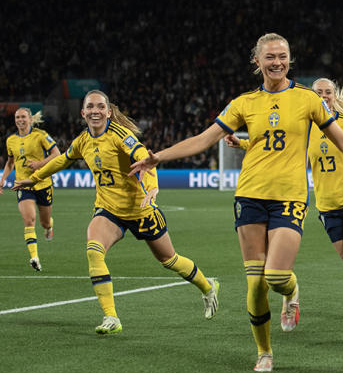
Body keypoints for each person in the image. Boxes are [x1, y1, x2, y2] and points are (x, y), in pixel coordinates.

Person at [130, 32, 343, 371]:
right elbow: (204, 139)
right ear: (258, 62)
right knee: (255, 283)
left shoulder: (309, 99)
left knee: (277, 276)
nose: (277, 62)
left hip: (289, 199)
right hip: (250, 197)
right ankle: (264, 352)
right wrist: (158, 157)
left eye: (282, 55)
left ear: (290, 58)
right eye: (270, 57)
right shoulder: (244, 103)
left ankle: (291, 292)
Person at [13, 91, 219, 334]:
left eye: (101, 106)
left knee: (169, 260)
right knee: (93, 250)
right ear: (83, 113)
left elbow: (145, 158)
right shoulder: (82, 141)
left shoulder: (122, 136)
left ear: (109, 112)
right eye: (90, 106)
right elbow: (62, 160)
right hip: (108, 210)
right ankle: (111, 317)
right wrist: (34, 178)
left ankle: (208, 287)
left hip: (140, 209)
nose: (95, 111)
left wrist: (152, 187)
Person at [224, 78, 343, 327]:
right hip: (326, 205)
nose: (324, 96)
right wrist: (241, 144)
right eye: (319, 92)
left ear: (335, 95)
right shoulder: (305, 127)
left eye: (328, 92)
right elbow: (275, 146)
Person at [1, 108, 60, 271]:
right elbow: (10, 162)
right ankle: (34, 257)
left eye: (23, 117)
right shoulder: (11, 140)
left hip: (43, 183)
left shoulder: (40, 135)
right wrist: (3, 179)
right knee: (29, 220)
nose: (20, 120)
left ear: (30, 119)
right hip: (23, 184)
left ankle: (49, 227)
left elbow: (57, 153)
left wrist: (39, 164)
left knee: (44, 222)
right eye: (17, 117)